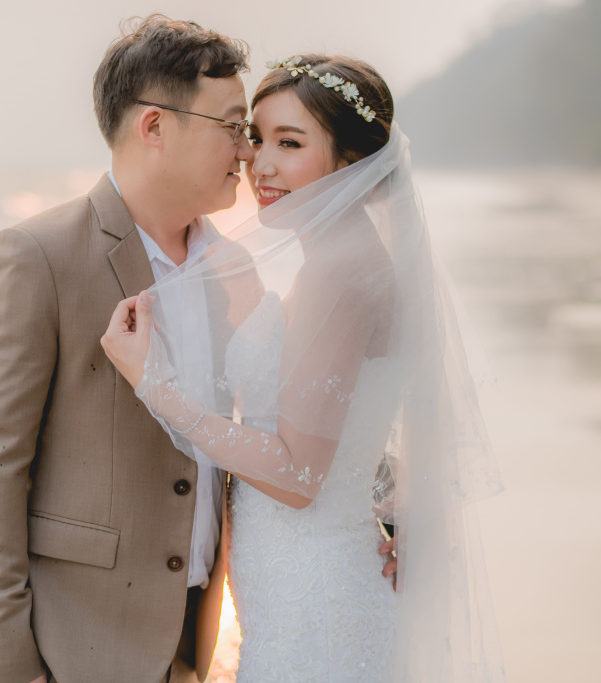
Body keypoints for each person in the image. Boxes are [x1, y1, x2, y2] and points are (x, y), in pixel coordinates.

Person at [102, 55, 506, 682]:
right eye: (256, 137)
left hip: (316, 604)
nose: (259, 163)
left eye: (289, 144)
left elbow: (298, 475)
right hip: (306, 589)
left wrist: (154, 384)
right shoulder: (345, 259)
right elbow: (347, 426)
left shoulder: (338, 273)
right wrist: (395, 497)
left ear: (352, 162)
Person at [0, 16, 252, 683]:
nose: (247, 148)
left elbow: (278, 420)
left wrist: (379, 518)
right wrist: (6, 667)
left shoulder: (234, 268)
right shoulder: (38, 255)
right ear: (155, 127)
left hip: (198, 634)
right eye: (232, 126)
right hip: (77, 642)